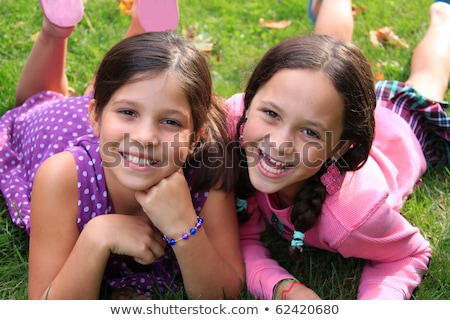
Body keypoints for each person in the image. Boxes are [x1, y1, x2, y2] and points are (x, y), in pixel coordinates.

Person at [0, 0, 244, 299]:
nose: (145, 137)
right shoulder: (62, 175)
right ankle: (56, 31)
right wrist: (96, 236)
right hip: (53, 125)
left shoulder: (208, 170)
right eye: (129, 113)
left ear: (195, 138)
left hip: (113, 135)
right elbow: (46, 308)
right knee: (37, 99)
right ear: (95, 118)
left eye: (170, 121)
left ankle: (140, 32)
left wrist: (185, 228)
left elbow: (226, 297)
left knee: (133, 88)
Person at [226, 0, 450, 299]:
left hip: (401, 125)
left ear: (339, 148)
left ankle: (443, 16)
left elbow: (407, 254)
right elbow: (238, 235)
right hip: (334, 108)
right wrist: (282, 288)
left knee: (427, 80)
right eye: (271, 113)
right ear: (250, 101)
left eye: (309, 132)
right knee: (324, 59)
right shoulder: (235, 120)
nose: (278, 144)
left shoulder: (354, 216)